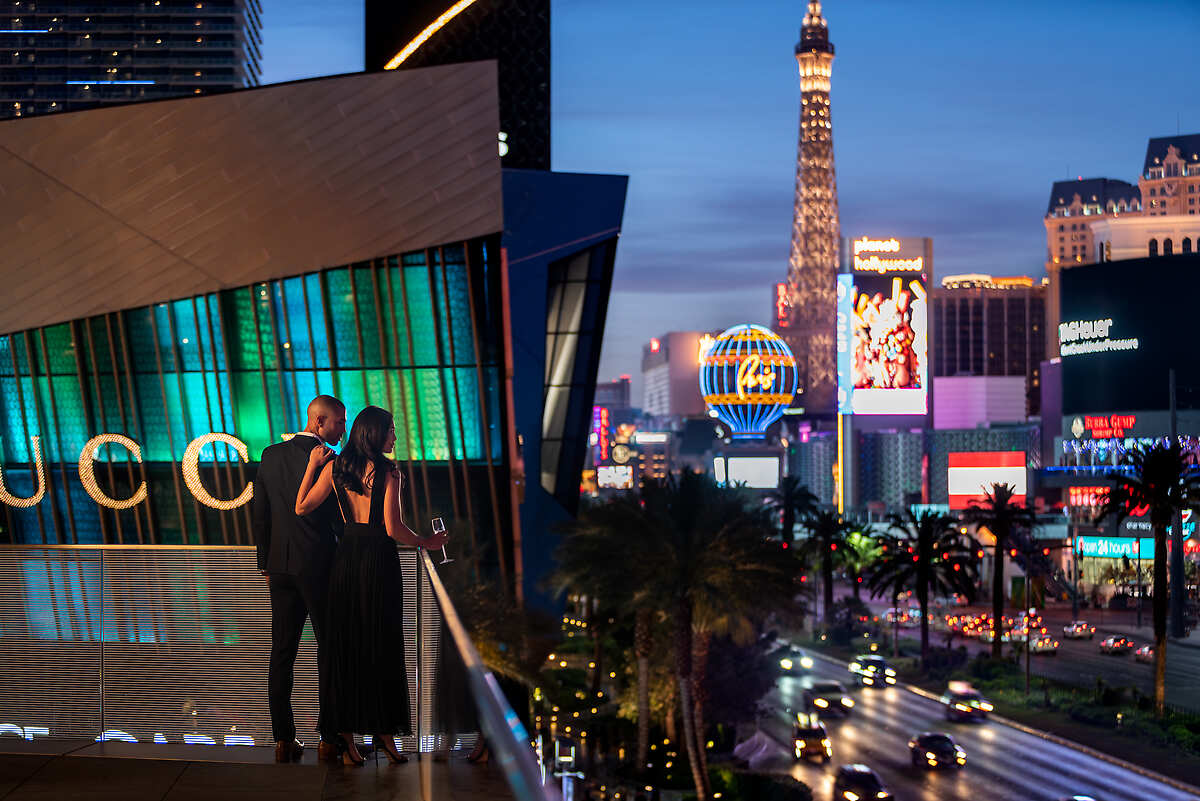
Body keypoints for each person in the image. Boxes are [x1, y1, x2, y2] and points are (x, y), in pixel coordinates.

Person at [295, 405, 447, 765]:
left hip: (345, 561)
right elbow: (394, 529)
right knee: (382, 646)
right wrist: (428, 541)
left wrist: (312, 466)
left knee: (347, 649)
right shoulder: (390, 473)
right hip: (379, 561)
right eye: (392, 430)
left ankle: (347, 739)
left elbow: (301, 507)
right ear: (376, 435)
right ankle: (384, 735)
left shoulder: (336, 467)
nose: (395, 436)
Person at [253, 395, 347, 763]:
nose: (343, 428)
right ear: (319, 423)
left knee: (282, 651)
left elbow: (261, 514)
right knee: (330, 649)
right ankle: (328, 739)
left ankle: (283, 740)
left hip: (279, 567)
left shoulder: (270, 455)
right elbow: (338, 516)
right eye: (339, 422)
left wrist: (265, 562)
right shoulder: (330, 460)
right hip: (319, 566)